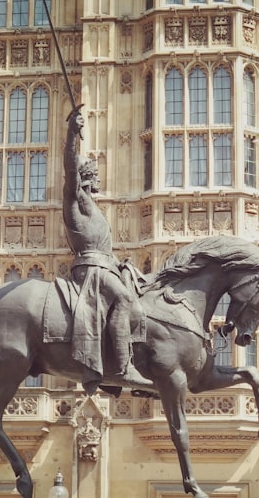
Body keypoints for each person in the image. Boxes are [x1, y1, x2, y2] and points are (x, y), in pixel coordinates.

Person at [63, 107, 150, 395]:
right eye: (94, 175)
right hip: (91, 271)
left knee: (136, 294)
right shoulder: (75, 200)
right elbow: (69, 167)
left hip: (105, 266)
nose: (98, 180)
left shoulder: (94, 210)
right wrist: (72, 134)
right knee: (124, 299)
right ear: (86, 178)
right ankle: (124, 369)